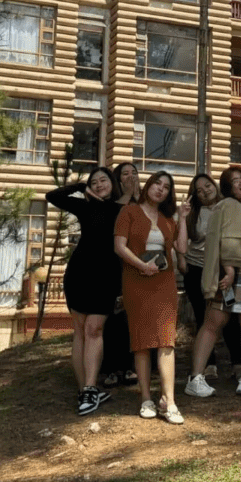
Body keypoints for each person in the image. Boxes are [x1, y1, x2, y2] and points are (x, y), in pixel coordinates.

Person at [184, 166, 241, 398]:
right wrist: (229, 269)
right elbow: (220, 240)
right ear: (227, 189)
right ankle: (196, 378)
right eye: (234, 181)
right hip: (229, 268)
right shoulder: (224, 206)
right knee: (214, 320)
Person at [47, 167, 123, 416]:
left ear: (112, 184)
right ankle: (86, 390)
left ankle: (90, 387)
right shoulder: (85, 207)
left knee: (95, 329)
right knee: (80, 331)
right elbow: (53, 196)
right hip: (79, 274)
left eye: (104, 180)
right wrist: (80, 187)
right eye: (94, 181)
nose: (99, 184)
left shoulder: (122, 210)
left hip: (107, 276)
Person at [113, 170, 185, 424]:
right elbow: (119, 246)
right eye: (157, 183)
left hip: (164, 281)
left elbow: (182, 248)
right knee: (142, 341)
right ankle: (146, 398)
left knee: (167, 340)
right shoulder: (129, 212)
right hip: (136, 281)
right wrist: (141, 266)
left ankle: (169, 401)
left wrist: (183, 218)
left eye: (166, 187)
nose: (161, 189)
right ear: (148, 186)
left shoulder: (168, 219)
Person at [176, 173, 241, 378]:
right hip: (196, 268)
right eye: (199, 189)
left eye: (207, 185)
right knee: (202, 316)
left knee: (230, 316)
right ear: (195, 195)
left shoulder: (229, 205)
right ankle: (209, 363)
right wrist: (181, 260)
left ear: (214, 185)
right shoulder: (193, 212)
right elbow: (180, 240)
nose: (205, 190)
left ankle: (238, 363)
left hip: (224, 269)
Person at [99, 162, 142, 390]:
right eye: (125, 174)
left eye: (134, 173)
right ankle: (111, 368)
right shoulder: (110, 203)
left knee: (134, 318)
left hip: (140, 267)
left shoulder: (145, 202)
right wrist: (127, 196)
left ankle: (131, 365)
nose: (130, 177)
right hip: (114, 267)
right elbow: (113, 225)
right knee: (114, 319)